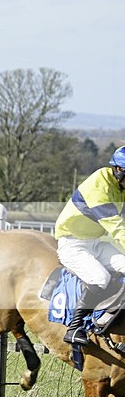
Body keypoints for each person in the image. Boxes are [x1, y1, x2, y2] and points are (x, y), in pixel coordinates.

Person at [55, 146, 125, 345]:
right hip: (72, 244)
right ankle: (74, 328)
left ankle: (107, 318)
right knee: (100, 278)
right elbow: (117, 228)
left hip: (95, 243)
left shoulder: (120, 185)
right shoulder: (99, 185)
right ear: (119, 170)